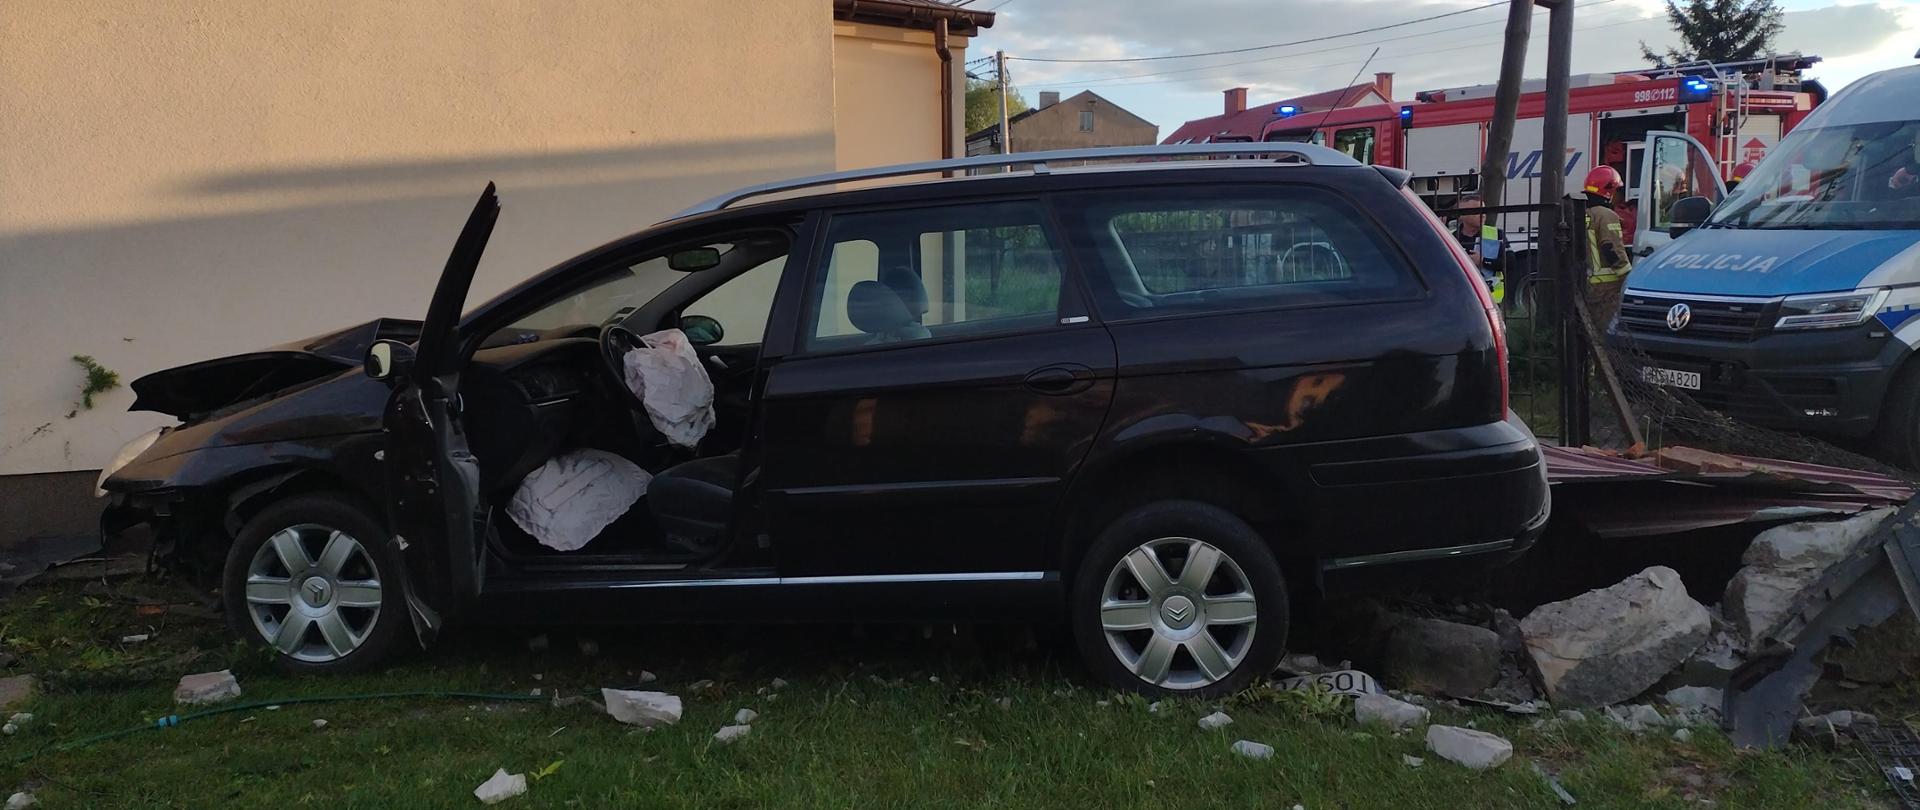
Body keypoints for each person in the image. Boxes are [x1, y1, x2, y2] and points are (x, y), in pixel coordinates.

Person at [1581, 165, 1632, 326]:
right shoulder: (1606, 215)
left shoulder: (1583, 214)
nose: (1619, 196)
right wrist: (1628, 277)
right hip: (1608, 289)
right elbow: (1611, 249)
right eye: (1617, 190)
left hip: (1589, 286)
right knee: (1609, 331)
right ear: (1609, 191)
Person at [1452, 194, 1508, 303]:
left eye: (1484, 210)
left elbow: (1510, 263)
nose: (1482, 215)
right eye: (1476, 211)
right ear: (1462, 216)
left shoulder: (1496, 234)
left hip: (1489, 298)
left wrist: (1483, 261)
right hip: (1459, 298)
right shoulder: (1451, 238)